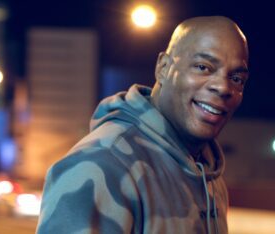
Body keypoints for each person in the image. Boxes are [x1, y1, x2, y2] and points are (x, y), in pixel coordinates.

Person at [36, 16, 249, 234]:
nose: (223, 87)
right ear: (163, 68)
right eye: (203, 67)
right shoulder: (101, 165)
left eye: (236, 79)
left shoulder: (209, 176)